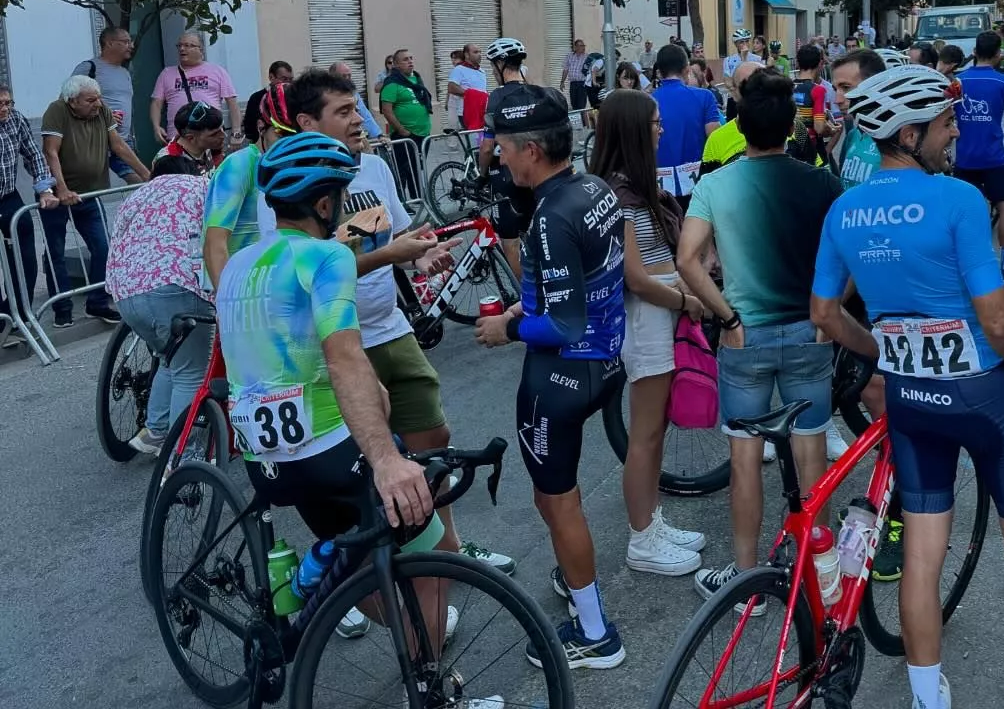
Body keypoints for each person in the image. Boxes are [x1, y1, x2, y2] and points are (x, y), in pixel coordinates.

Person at [812, 65, 1004, 709]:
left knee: (921, 556)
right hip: (987, 395)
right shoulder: (959, 198)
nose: (955, 135)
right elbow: (999, 318)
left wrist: (883, 348)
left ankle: (925, 698)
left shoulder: (844, 209)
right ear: (910, 135)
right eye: (944, 125)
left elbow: (825, 314)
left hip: (912, 399)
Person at [216, 131, 447, 651]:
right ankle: (430, 677)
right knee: (434, 559)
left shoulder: (236, 266)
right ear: (325, 205)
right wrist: (386, 458)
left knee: (356, 564)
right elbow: (344, 357)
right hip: (330, 452)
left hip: (265, 459)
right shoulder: (327, 257)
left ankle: (320, 572)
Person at [473, 84, 629, 669]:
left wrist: (507, 328)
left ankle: (595, 633)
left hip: (562, 375)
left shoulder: (549, 215)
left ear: (532, 150)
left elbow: (563, 324)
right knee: (563, 495)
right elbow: (584, 283)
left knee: (556, 501)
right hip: (603, 361)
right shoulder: (593, 188)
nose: (498, 154)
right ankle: (575, 572)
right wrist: (528, 305)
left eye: (503, 145)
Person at [678, 70, 843, 600]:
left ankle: (746, 583)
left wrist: (727, 319)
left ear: (740, 127)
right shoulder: (821, 182)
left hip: (744, 338)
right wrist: (830, 311)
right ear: (791, 126)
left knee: (745, 457)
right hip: (810, 332)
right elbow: (849, 253)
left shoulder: (715, 185)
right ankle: (818, 574)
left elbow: (687, 260)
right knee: (811, 451)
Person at [589, 89, 708, 577]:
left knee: (655, 429)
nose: (662, 129)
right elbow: (636, 278)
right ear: (634, 131)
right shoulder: (617, 196)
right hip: (647, 317)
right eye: (655, 123)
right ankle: (642, 538)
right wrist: (686, 299)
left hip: (660, 311)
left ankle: (652, 521)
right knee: (646, 432)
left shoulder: (635, 188)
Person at [106, 155, 213, 455]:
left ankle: (156, 431)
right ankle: (183, 455)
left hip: (126, 291)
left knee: (169, 359)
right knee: (191, 371)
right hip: (175, 284)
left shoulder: (135, 197)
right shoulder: (201, 187)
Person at [40, 75, 149, 327]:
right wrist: (61, 189)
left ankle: (97, 302)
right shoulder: (57, 111)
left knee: (103, 246)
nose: (97, 104)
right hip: (58, 196)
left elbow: (118, 146)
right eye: (90, 100)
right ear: (72, 101)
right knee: (55, 250)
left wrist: (147, 175)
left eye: (98, 98)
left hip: (90, 194)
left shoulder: (102, 110)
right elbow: (50, 151)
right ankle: (62, 308)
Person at [953, 31, 1004, 282]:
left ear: (975, 52)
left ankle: (968, 265)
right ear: (998, 54)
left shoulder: (958, 80)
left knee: (965, 212)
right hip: (996, 157)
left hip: (964, 157)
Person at [203, 82, 292, 288]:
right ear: (261, 127)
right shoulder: (239, 165)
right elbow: (214, 242)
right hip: (243, 286)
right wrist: (225, 299)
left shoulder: (297, 162)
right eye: (281, 134)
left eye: (296, 135)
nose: (288, 144)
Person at [0, 85, 56, 337]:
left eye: (8, 103)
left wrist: (44, 189)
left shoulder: (15, 119)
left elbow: (33, 154)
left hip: (8, 196)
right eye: (0, 104)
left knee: (24, 256)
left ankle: (19, 313)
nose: (5, 109)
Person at [476, 38, 532, 279]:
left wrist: (481, 175)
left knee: (510, 243)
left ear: (500, 64)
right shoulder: (535, 92)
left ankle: (525, 294)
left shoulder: (496, 98)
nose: (492, 72)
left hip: (506, 174)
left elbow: (487, 147)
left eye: (492, 66)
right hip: (534, 172)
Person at [651, 43, 722, 205]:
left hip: (658, 188)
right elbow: (715, 138)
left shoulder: (646, 101)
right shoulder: (705, 97)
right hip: (699, 185)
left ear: (659, 72)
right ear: (687, 69)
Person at [72, 25, 141, 183]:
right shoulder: (89, 68)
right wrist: (103, 117)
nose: (131, 46)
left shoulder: (124, 72)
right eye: (126, 41)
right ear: (110, 43)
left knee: (138, 181)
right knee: (94, 184)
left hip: (123, 138)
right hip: (97, 138)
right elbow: (68, 100)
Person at [150, 31, 241, 145]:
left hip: (211, 137)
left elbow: (232, 103)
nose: (182, 49)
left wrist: (236, 132)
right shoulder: (166, 74)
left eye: (188, 45)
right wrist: (156, 127)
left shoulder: (217, 71)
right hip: (178, 139)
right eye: (179, 45)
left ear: (200, 49)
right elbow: (156, 103)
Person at [828, 49, 888, 189]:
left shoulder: (900, 140)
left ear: (875, 86)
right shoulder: (853, 135)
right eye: (835, 89)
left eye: (846, 87)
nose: (837, 100)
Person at [378, 48, 433, 198]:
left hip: (423, 132)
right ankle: (401, 201)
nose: (410, 62)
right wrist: (401, 130)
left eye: (411, 58)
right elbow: (387, 110)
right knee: (402, 169)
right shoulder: (392, 83)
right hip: (405, 135)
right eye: (405, 59)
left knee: (417, 167)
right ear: (396, 64)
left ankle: (418, 197)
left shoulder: (417, 79)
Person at [699, 61, 762, 174]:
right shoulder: (717, 139)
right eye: (746, 87)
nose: (756, 93)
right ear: (733, 91)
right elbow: (707, 183)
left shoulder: (791, 127)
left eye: (763, 84)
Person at [788, 43, 833, 164]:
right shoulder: (818, 90)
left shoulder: (787, 86)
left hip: (790, 145)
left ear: (798, 63)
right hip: (812, 148)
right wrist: (831, 130)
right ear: (819, 64)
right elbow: (819, 128)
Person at [153, 102, 226, 173]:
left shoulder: (210, 145)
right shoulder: (168, 164)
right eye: (214, 134)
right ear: (190, 138)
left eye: (222, 128)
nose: (223, 135)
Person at [242, 61, 294, 144]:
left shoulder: (295, 96)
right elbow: (249, 126)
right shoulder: (256, 98)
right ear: (271, 77)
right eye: (284, 79)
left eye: (291, 79)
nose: (288, 83)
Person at [330, 62, 383, 140]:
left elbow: (365, 115)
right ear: (332, 77)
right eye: (343, 76)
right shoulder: (327, 96)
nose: (347, 79)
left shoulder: (354, 93)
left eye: (349, 75)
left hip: (356, 135)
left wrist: (378, 135)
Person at [447, 43, 488, 130]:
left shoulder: (482, 71)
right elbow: (451, 87)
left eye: (480, 52)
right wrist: (472, 95)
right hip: (466, 112)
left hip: (482, 111)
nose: (479, 55)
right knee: (472, 137)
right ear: (467, 55)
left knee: (482, 137)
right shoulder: (459, 69)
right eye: (475, 52)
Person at [562, 39, 591, 113]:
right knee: (574, 103)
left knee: (581, 105)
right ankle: (576, 118)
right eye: (581, 46)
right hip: (573, 83)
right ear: (576, 47)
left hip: (582, 84)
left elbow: (591, 71)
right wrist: (562, 82)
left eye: (583, 46)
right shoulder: (569, 56)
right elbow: (565, 69)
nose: (583, 47)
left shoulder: (587, 57)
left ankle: (582, 118)